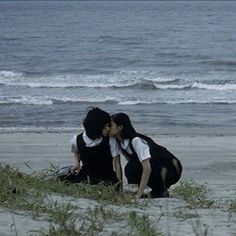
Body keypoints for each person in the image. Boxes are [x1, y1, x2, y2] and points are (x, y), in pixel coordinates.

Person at [109, 113, 182, 199]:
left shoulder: (136, 141)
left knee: (131, 167)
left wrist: (138, 195)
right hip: (156, 167)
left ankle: (159, 190)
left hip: (171, 168)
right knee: (133, 166)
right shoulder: (119, 142)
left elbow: (147, 168)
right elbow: (117, 165)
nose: (108, 127)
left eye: (111, 125)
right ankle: (158, 191)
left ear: (120, 127)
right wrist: (119, 190)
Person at [59, 107, 122, 187]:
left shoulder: (111, 140)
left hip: (106, 178)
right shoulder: (76, 139)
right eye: (105, 126)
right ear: (96, 127)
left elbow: (117, 164)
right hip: (86, 177)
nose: (108, 129)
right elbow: (76, 152)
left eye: (109, 125)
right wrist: (76, 163)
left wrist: (119, 187)